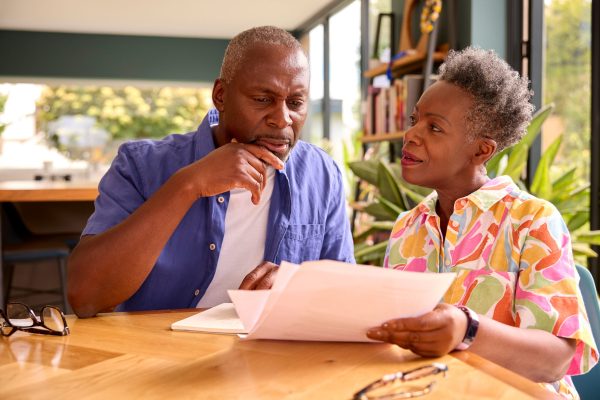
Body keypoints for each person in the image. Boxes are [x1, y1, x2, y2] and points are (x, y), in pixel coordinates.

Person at [67, 26, 354, 317]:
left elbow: (346, 294)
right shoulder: (141, 165)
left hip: (270, 353)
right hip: (156, 352)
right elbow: (87, 296)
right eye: (263, 99)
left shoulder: (321, 173)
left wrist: (299, 286)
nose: (282, 119)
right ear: (220, 95)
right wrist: (188, 184)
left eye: (295, 103)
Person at [365, 47, 598, 397]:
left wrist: (467, 329)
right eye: (415, 120)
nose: (411, 135)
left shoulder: (532, 222)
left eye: (434, 128)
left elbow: (556, 360)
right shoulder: (406, 228)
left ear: (481, 151)